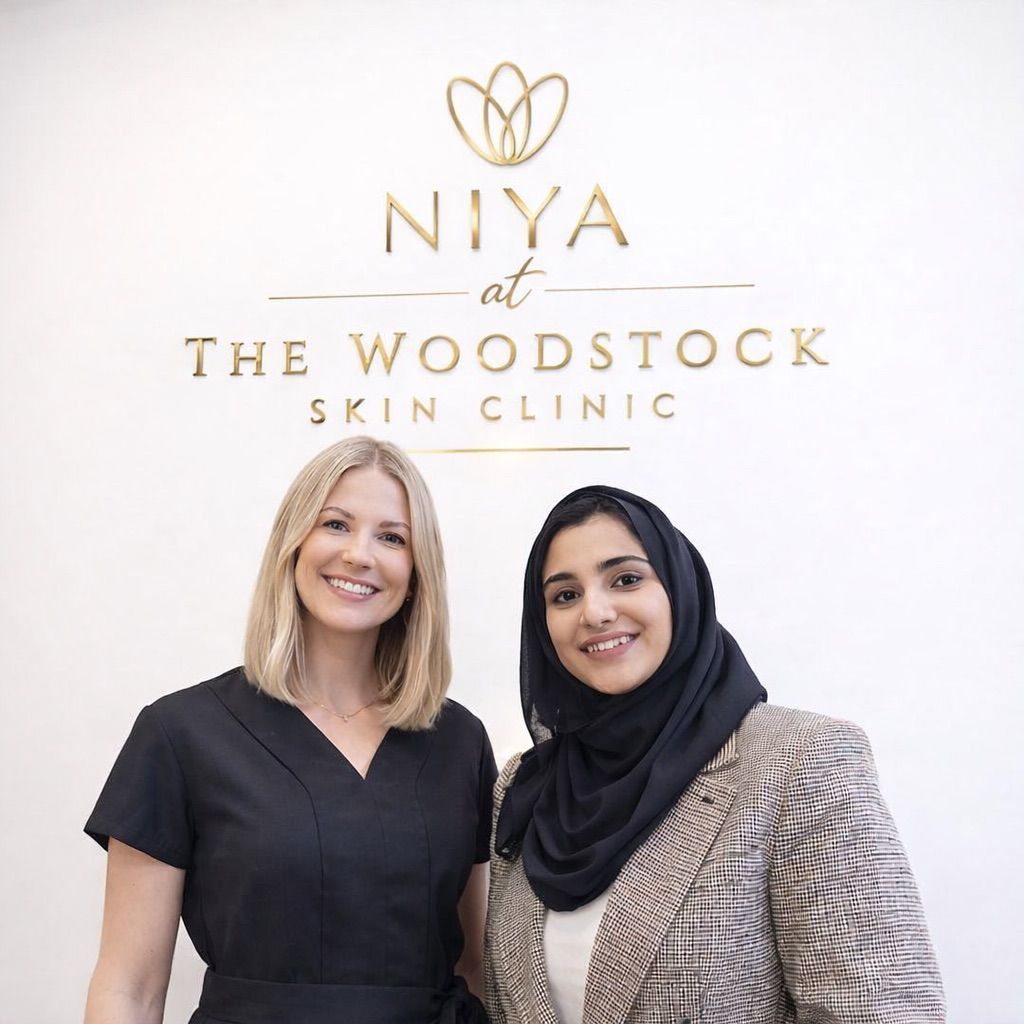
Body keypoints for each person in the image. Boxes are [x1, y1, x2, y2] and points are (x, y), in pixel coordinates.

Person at [485, 486, 944, 1024]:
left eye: (626, 579)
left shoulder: (798, 761)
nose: (596, 611)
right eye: (564, 595)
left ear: (681, 591)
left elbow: (880, 1010)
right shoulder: (527, 785)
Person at [84, 437, 495, 1024]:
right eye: (336, 524)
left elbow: (475, 970)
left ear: (418, 571)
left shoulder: (459, 741)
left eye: (392, 537)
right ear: (293, 542)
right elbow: (129, 988)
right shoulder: (180, 735)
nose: (360, 554)